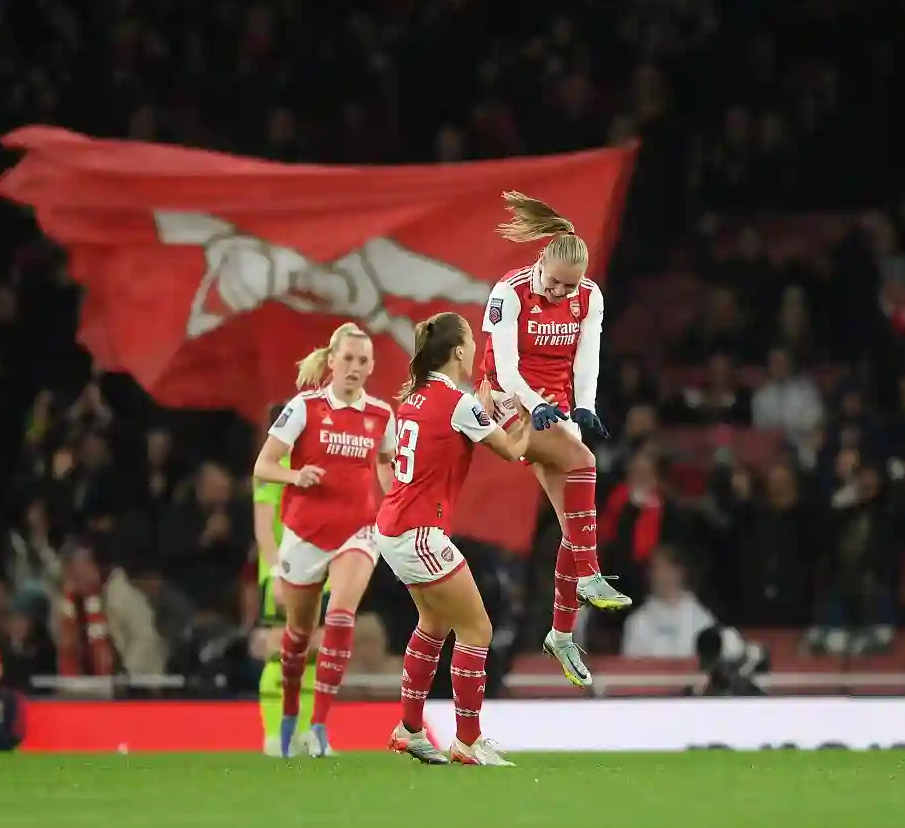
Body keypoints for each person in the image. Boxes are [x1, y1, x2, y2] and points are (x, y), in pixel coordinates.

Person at [477, 191, 629, 689]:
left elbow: (588, 357)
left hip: (554, 403)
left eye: (572, 286)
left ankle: (561, 634)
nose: (563, 293)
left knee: (574, 523)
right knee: (584, 463)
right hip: (505, 396)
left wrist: (583, 404)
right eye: (557, 284)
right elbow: (503, 364)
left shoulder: (590, 296)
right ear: (540, 261)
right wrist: (533, 404)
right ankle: (588, 573)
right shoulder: (510, 292)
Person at [377, 312, 534, 766]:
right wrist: (527, 416)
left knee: (434, 624)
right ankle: (467, 739)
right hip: (419, 532)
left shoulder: (416, 397)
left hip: (396, 528)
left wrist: (485, 406)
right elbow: (511, 451)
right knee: (477, 627)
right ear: (460, 351)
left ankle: (409, 729)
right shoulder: (457, 403)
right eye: (471, 341)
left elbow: (459, 426)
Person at [251, 322, 395, 757]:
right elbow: (264, 465)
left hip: (358, 531)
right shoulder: (304, 408)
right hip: (306, 534)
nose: (354, 367)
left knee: (341, 615)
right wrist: (296, 474)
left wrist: (399, 503)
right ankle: (292, 716)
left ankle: (319, 728)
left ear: (371, 367)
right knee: (297, 636)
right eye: (347, 358)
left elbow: (386, 467)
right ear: (331, 361)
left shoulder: (381, 415)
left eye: (362, 361)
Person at [251, 402, 318, 756]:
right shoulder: (268, 470)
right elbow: (264, 531)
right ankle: (274, 735)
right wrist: (277, 573)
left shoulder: (311, 465)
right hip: (279, 572)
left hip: (314, 570)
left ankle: (305, 734)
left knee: (312, 655)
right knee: (279, 653)